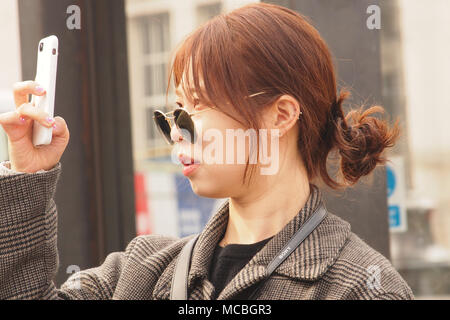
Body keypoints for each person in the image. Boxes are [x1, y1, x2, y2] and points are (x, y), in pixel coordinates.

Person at [0, 2, 413, 299]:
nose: (177, 132)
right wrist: (27, 173)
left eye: (196, 105)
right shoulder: (141, 271)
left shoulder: (361, 286)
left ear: (281, 115)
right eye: (176, 110)